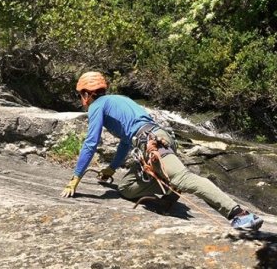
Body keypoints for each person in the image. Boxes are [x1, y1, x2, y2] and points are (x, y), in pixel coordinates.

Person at [60, 71, 264, 230]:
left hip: (152, 144)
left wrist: (76, 177)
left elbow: (91, 142)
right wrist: (112, 168)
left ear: (86, 94)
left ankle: (238, 213)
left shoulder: (97, 106)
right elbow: (124, 142)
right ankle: (168, 188)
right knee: (126, 188)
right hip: (158, 138)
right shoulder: (119, 99)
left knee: (182, 178)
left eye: (80, 95)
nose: (81, 100)